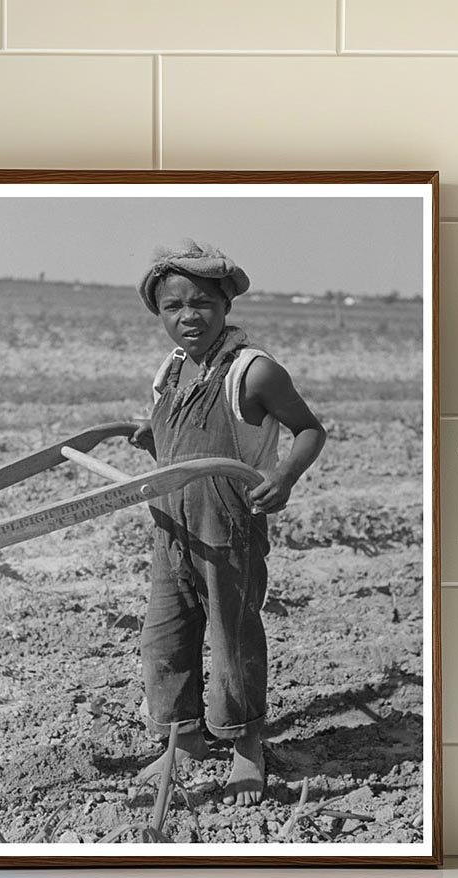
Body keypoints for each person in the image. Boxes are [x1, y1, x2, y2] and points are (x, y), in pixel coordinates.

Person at [130, 239, 326, 807]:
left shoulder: (253, 371)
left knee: (232, 635)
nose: (188, 317)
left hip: (228, 526)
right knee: (165, 634)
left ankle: (245, 744)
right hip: (171, 524)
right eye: (174, 307)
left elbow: (309, 430)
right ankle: (184, 737)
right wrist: (151, 439)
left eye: (202, 304)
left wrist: (284, 477)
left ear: (225, 307)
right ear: (159, 312)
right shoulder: (171, 370)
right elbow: (176, 435)